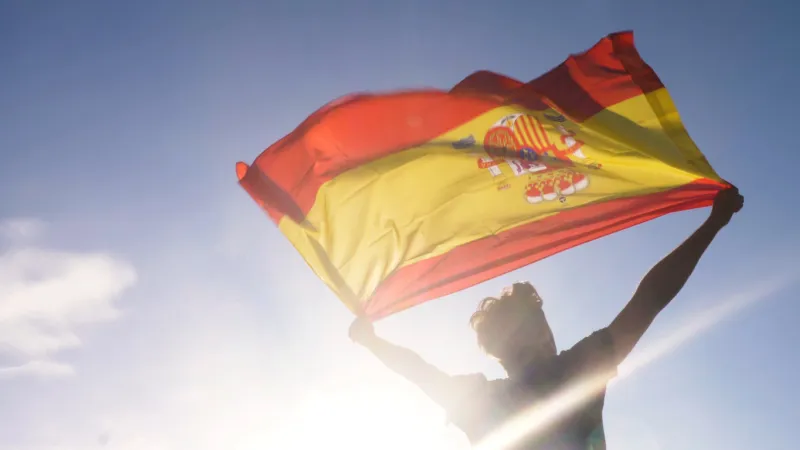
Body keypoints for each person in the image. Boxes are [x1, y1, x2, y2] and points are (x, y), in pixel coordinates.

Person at [349, 186, 744, 449]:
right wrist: (372, 342)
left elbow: (650, 299)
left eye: (541, 332)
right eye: (523, 340)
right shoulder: (484, 400)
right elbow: (419, 371)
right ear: (498, 352)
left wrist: (711, 225)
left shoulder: (578, 370)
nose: (540, 345)